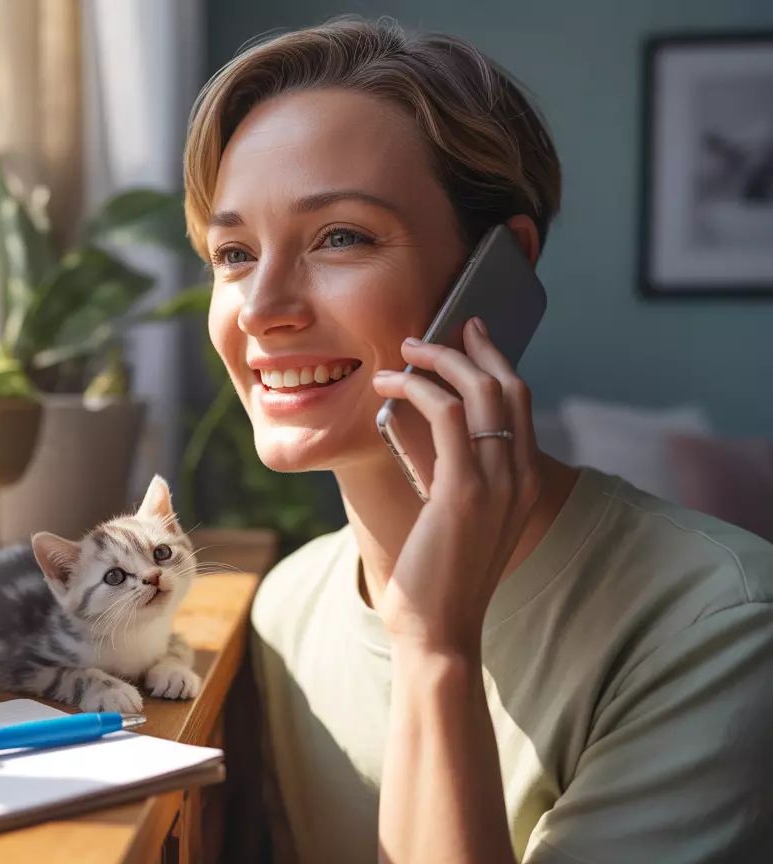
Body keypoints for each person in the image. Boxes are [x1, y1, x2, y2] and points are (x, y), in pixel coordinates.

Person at [182, 17, 773, 864]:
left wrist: (434, 642)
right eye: (232, 252)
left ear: (499, 270)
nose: (262, 307)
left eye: (340, 237)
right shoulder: (289, 608)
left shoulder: (719, 627)